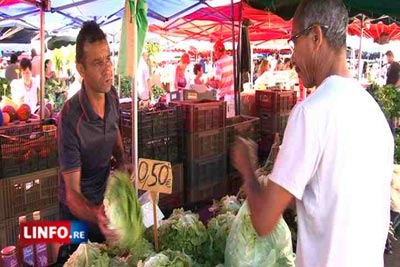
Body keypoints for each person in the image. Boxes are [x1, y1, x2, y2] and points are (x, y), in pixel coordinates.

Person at [232, 0, 394, 266]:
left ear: (315, 36)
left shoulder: (311, 112)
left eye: (294, 41)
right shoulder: (375, 115)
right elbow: (335, 196)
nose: (293, 57)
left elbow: (262, 221)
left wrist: (247, 167)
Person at [57, 21, 126, 260]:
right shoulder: (69, 118)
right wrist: (96, 215)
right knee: (81, 260)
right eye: (98, 63)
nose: (107, 69)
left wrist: (124, 161)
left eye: (108, 58)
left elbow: (114, 127)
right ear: (81, 69)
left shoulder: (112, 95)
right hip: (77, 215)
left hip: (104, 203)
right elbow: (71, 194)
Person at [207, 40, 234, 117]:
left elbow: (217, 85)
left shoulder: (218, 64)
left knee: (223, 123)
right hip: (233, 97)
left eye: (215, 52)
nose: (214, 54)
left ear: (218, 51)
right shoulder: (232, 60)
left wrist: (209, 82)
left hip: (223, 99)